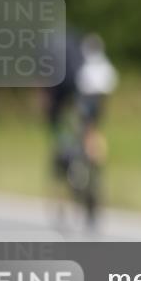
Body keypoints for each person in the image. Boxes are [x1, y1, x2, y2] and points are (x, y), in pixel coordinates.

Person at [46, 30, 118, 174]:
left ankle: (82, 159)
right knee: (90, 134)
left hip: (84, 104)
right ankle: (92, 160)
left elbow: (77, 86)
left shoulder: (82, 64)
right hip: (95, 106)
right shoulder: (105, 66)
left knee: (81, 132)